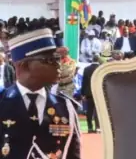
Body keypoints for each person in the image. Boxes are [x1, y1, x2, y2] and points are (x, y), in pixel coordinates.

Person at [0, 19, 81, 159]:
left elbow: (73, 154)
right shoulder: (2, 102)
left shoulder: (65, 107)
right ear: (24, 66)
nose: (58, 65)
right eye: (49, 60)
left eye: (57, 59)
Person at [80, 55, 101, 133]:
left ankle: (90, 127)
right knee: (98, 111)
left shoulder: (86, 69)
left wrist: (82, 93)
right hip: (99, 92)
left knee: (89, 110)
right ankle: (98, 127)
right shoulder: (100, 68)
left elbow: (84, 82)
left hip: (89, 93)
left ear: (92, 59)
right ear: (98, 59)